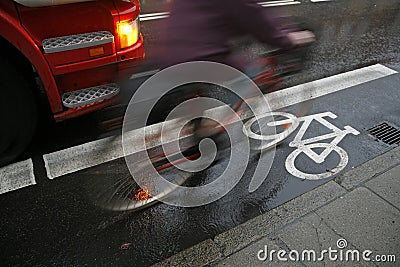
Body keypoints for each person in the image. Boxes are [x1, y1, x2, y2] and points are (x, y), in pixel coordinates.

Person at [159, 0, 315, 71]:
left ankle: (198, 121)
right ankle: (209, 128)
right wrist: (289, 40)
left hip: (168, 55)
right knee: (251, 70)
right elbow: (260, 26)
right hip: (202, 58)